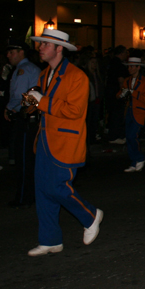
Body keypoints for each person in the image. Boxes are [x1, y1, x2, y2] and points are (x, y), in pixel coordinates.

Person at [24, 29, 103, 256]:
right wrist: (30, 103)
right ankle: (50, 240)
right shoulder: (43, 74)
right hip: (45, 139)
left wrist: (42, 101)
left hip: (65, 141)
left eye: (45, 44)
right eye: (40, 44)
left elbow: (75, 111)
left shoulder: (77, 76)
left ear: (59, 48)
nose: (40, 48)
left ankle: (90, 215)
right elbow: (44, 106)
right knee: (42, 191)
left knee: (57, 187)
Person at [4, 38, 41, 207]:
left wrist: (9, 108)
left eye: (12, 52)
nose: (8, 55)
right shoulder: (31, 68)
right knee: (29, 160)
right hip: (31, 117)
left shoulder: (23, 70)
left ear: (21, 52)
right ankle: (30, 195)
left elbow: (20, 95)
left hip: (26, 118)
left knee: (24, 160)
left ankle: (24, 197)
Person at [119, 56, 145, 172]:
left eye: (132, 66)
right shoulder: (127, 80)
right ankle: (134, 162)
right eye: (129, 67)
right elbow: (120, 94)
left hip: (139, 112)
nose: (129, 69)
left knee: (132, 136)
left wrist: (133, 93)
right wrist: (121, 94)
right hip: (128, 111)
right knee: (128, 138)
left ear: (138, 67)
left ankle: (140, 158)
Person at [105, 45, 129, 144]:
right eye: (126, 53)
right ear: (122, 53)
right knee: (117, 115)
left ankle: (113, 133)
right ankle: (114, 136)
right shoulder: (119, 65)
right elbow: (121, 80)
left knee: (113, 114)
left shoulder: (111, 62)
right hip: (116, 93)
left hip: (110, 92)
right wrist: (123, 93)